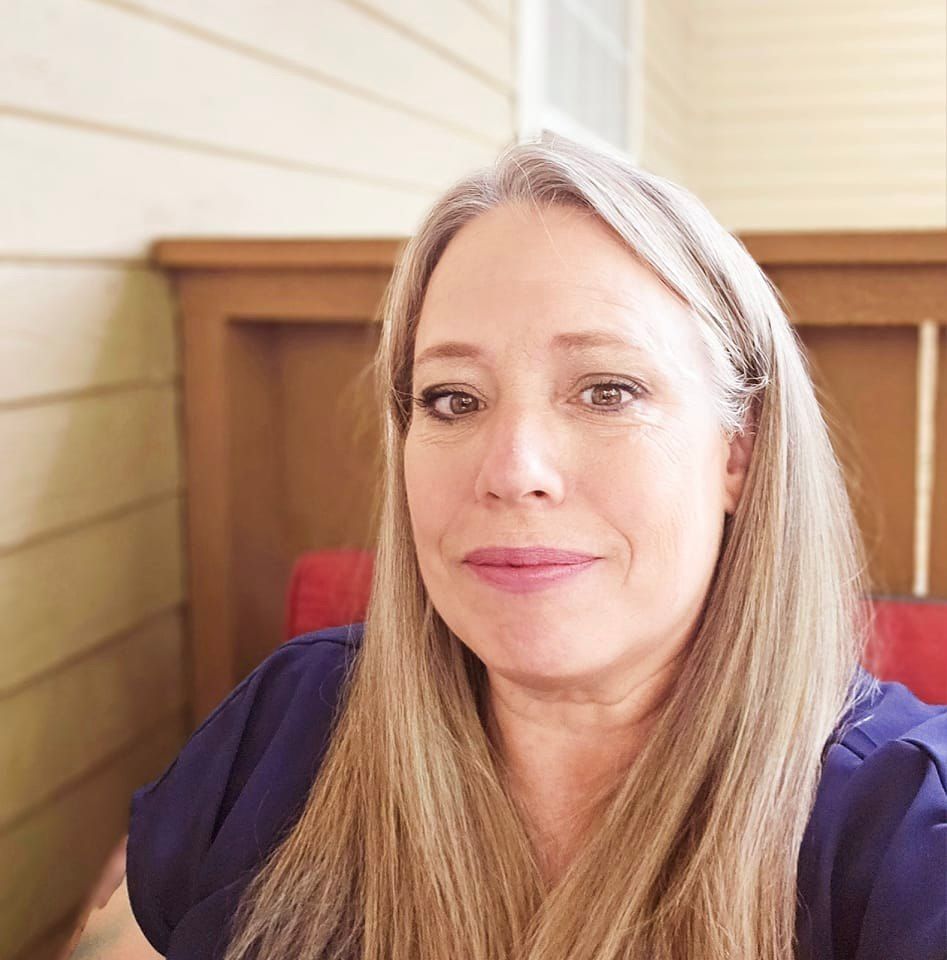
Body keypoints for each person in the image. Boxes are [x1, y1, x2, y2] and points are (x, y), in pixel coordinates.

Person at [70, 133, 947, 960]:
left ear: (739, 454)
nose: (513, 469)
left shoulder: (908, 834)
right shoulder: (287, 723)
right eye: (453, 398)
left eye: (606, 390)